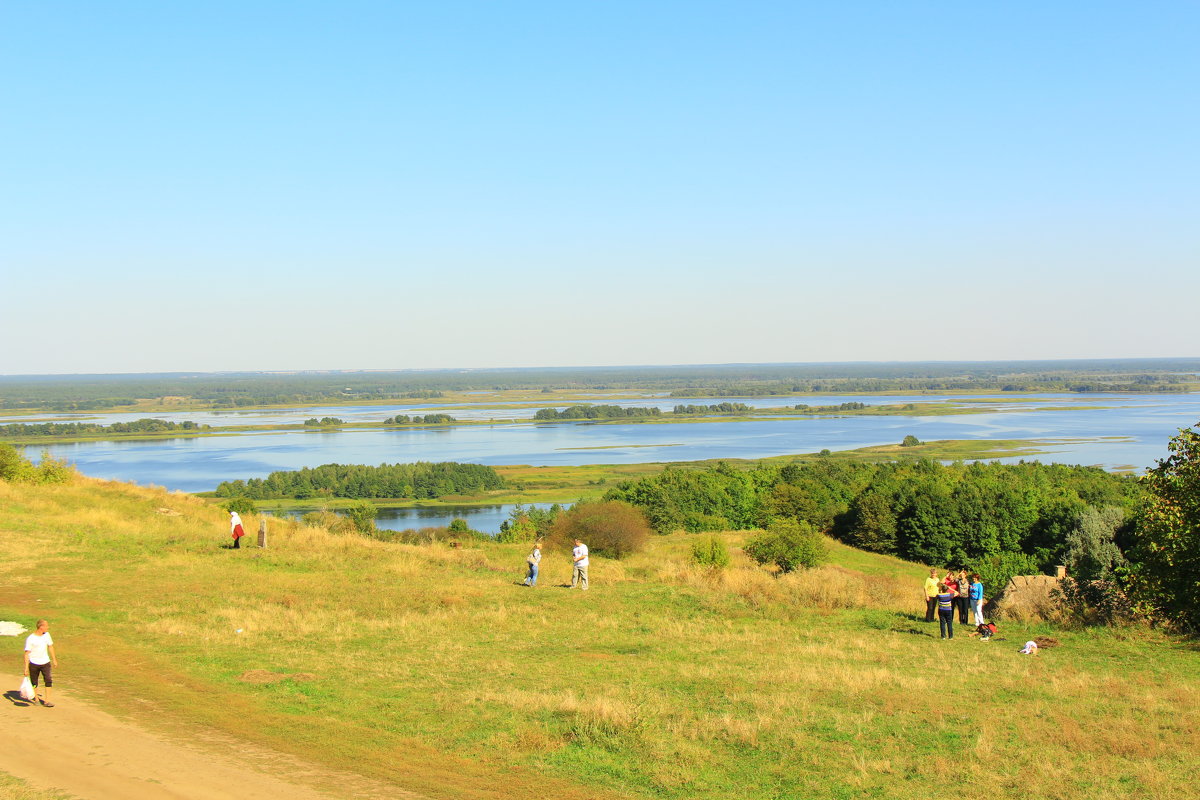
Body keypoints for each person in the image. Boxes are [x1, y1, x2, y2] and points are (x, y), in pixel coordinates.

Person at [23, 619, 58, 707]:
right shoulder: (31, 638)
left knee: (48, 680)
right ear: (41, 627)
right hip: (34, 663)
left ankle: (47, 701)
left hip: (45, 662)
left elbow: (50, 647)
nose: (48, 627)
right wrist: (26, 668)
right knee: (34, 682)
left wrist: (54, 659)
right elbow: (26, 653)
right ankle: (36, 699)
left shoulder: (47, 635)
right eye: (46, 626)